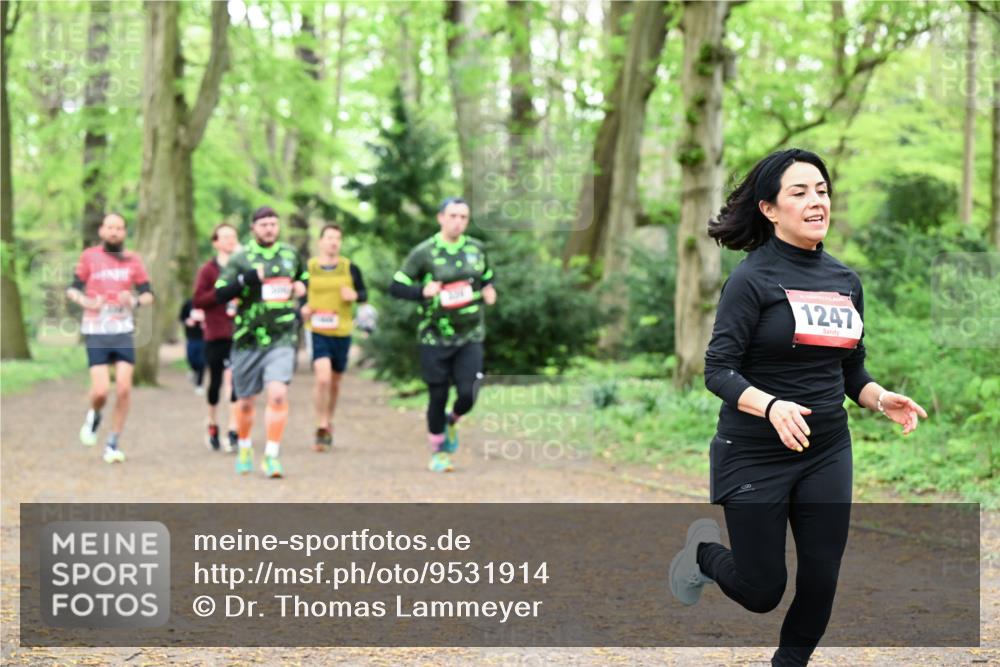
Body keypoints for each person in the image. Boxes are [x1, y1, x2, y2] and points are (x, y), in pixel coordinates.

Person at [667, 149, 928, 666]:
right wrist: (771, 406)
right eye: (800, 192)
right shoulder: (751, 280)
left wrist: (880, 398)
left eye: (822, 191)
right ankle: (701, 555)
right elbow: (717, 370)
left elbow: (851, 370)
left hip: (826, 447)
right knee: (762, 590)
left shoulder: (845, 280)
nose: (816, 201)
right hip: (754, 449)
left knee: (821, 576)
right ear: (769, 209)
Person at [389, 197, 496, 473]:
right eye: (453, 216)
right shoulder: (424, 252)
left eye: (463, 217)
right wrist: (421, 292)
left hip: (470, 334)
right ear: (441, 218)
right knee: (437, 395)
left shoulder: (476, 249)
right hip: (433, 336)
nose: (458, 221)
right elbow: (396, 285)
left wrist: (489, 290)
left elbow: (486, 276)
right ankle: (438, 451)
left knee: (469, 391)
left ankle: (453, 419)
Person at [214, 206, 308, 478]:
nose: (269, 228)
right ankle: (244, 446)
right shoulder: (241, 259)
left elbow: (302, 277)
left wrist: (302, 287)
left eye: (273, 224)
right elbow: (220, 294)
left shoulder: (290, 255)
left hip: (282, 337)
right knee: (245, 402)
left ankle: (271, 456)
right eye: (263, 224)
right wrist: (246, 280)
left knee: (278, 394)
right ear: (253, 228)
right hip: (247, 339)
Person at [66, 213, 154, 464]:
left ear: (124, 232)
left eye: (119, 228)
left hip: (123, 330)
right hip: (96, 329)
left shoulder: (133, 260)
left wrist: (135, 300)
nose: (114, 232)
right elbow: (73, 289)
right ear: (102, 231)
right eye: (110, 227)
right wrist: (87, 301)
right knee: (102, 391)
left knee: (124, 388)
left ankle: (113, 442)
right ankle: (94, 415)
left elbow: (149, 295)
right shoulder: (89, 257)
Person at [299, 224, 368, 452]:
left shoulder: (350, 268)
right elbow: (300, 293)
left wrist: (354, 295)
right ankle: (320, 424)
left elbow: (363, 294)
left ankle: (328, 420)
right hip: (317, 329)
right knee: (323, 378)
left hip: (342, 330)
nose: (333, 242)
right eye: (329, 238)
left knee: (336, 382)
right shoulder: (309, 268)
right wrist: (303, 308)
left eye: (337, 238)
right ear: (320, 242)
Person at [192, 222, 241, 452]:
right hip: (215, 333)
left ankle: (233, 428)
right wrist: (221, 294)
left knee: (235, 380)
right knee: (216, 382)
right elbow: (199, 300)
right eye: (225, 237)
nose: (230, 241)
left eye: (233, 236)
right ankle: (212, 422)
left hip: (239, 332)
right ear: (215, 242)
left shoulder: (243, 267)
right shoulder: (208, 270)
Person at [178, 298, 206, 395]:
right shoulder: (189, 303)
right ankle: (194, 371)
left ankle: (199, 384)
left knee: (202, 361)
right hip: (191, 337)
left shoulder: (208, 304)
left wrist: (207, 324)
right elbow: (181, 317)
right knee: (191, 358)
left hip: (205, 337)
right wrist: (187, 321)